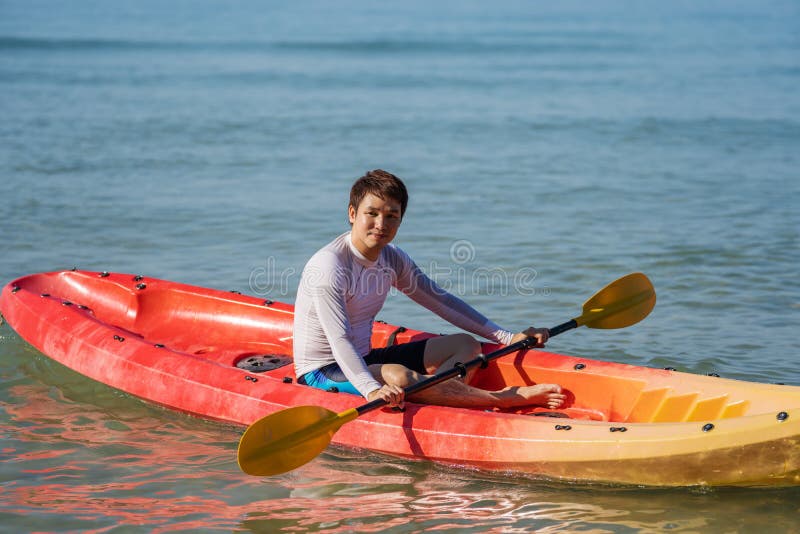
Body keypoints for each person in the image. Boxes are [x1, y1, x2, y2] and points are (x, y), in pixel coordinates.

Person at [293, 170, 565, 410]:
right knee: (398, 376)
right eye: (372, 213)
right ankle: (503, 398)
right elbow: (340, 339)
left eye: (391, 216)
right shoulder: (330, 266)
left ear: (400, 220)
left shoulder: (392, 258)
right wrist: (372, 390)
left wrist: (507, 337)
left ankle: (439, 395)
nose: (381, 224)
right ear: (352, 214)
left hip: (365, 357)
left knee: (466, 345)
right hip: (323, 371)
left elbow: (439, 300)